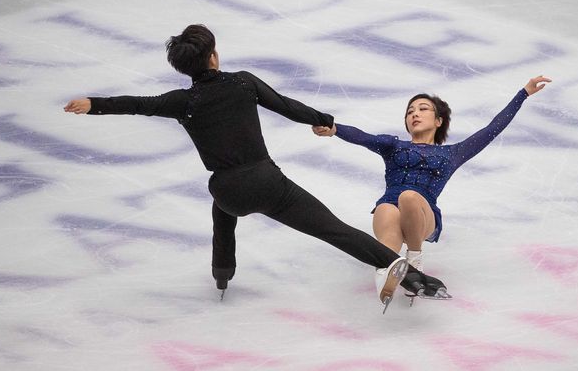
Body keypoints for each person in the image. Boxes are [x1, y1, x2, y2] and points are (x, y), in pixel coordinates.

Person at [64, 24, 447, 311]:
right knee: (335, 231)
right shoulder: (243, 84)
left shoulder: (182, 101)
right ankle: (408, 272)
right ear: (213, 57)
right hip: (268, 183)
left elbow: (138, 103)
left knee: (222, 208)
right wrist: (324, 118)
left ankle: (222, 274)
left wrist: (93, 103)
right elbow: (286, 105)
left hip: (229, 189)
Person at [312, 75, 551, 290]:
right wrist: (334, 129)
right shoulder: (393, 146)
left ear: (438, 121)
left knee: (409, 197)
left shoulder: (453, 153)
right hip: (390, 205)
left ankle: (414, 260)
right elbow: (363, 137)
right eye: (410, 112)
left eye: (422, 109)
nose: (414, 113)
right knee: (385, 209)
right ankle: (386, 272)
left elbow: (493, 128)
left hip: (423, 214)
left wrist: (524, 93)